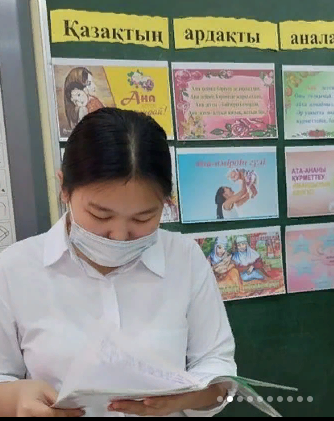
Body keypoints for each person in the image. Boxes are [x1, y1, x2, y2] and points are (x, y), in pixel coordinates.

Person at [0, 108, 236, 417]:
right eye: (100, 215)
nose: (120, 235)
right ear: (65, 188)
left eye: (143, 218)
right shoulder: (14, 268)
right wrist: (15, 398)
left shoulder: (184, 258)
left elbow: (217, 368)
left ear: (166, 202)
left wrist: (188, 397)